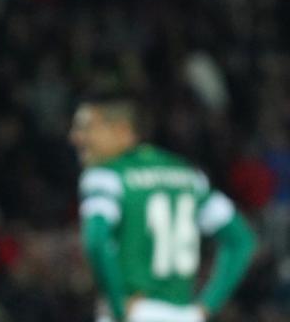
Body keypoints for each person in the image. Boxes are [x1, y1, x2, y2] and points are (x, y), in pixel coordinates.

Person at [70, 92, 256, 322]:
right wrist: (206, 306)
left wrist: (117, 306)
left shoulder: (106, 176)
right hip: (185, 314)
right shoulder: (188, 175)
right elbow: (241, 240)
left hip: (135, 311)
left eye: (87, 128)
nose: (76, 137)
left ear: (121, 131)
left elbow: (96, 241)